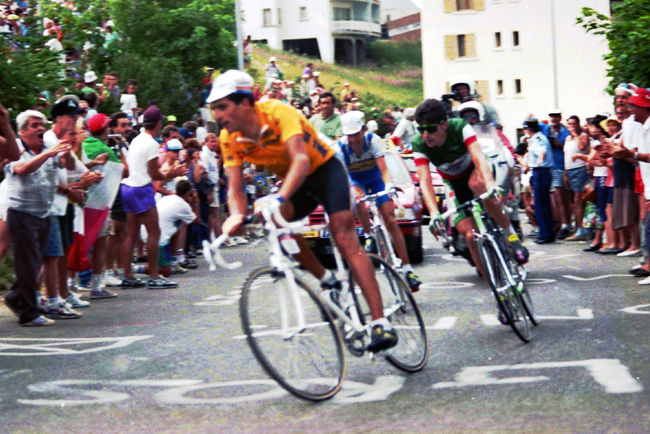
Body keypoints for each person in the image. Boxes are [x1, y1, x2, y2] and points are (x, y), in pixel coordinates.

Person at [208, 70, 398, 352]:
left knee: (344, 236)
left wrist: (280, 196)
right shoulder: (228, 138)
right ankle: (327, 280)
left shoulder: (277, 112)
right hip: (296, 182)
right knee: (276, 220)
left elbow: (300, 159)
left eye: (222, 106)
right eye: (214, 109)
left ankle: (381, 322)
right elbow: (234, 188)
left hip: (324, 169)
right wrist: (235, 214)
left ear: (246, 102)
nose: (217, 115)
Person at [412, 99, 529, 264]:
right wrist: (433, 213)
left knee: (476, 184)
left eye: (431, 129)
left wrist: (490, 183)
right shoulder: (419, 143)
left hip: (473, 168)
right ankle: (493, 285)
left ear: (444, 124)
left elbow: (478, 156)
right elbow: (425, 180)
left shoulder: (459, 127)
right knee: (470, 237)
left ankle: (512, 238)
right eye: (421, 129)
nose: (426, 135)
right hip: (453, 182)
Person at [336, 111, 422, 291]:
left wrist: (389, 185)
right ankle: (369, 235)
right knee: (358, 201)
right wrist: (355, 192)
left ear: (363, 130)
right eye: (349, 135)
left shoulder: (373, 140)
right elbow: (345, 178)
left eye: (356, 134)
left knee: (390, 220)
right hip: (356, 180)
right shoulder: (340, 148)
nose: (353, 139)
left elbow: (383, 169)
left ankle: (407, 269)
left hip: (375, 179)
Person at [3, 109, 75, 326]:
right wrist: (48, 154)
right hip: (22, 212)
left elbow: (69, 167)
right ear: (22, 131)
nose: (41, 129)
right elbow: (23, 169)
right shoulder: (14, 148)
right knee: (28, 264)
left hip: (43, 212)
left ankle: (15, 297)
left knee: (35, 265)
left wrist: (66, 151)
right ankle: (29, 313)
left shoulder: (48, 149)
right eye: (34, 125)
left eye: (42, 124)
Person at [119, 107, 188, 289]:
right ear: (158, 124)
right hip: (141, 189)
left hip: (127, 187)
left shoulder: (137, 139)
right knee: (154, 233)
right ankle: (154, 276)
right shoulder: (151, 144)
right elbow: (155, 174)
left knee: (131, 235)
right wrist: (171, 173)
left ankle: (127, 275)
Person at [526, 118, 556, 244]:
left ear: (527, 129)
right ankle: (548, 232)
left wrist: (539, 159)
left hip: (540, 171)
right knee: (544, 203)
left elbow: (541, 151)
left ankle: (544, 234)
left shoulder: (537, 138)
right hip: (542, 172)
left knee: (540, 204)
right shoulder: (539, 137)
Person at [563, 115, 591, 241]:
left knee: (578, 200)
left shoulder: (583, 136)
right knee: (573, 200)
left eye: (574, 124)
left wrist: (576, 134)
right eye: (570, 124)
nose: (572, 126)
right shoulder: (567, 138)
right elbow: (566, 156)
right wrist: (565, 174)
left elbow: (581, 147)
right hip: (570, 170)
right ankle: (579, 227)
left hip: (580, 169)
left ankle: (581, 229)